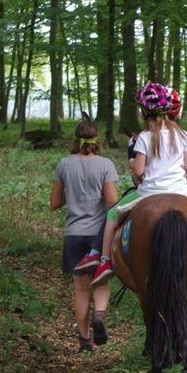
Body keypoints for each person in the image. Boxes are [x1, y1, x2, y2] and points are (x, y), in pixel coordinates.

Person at [89, 81, 187, 292]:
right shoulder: (182, 135)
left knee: (113, 214)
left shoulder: (144, 137)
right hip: (181, 191)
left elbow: (139, 171)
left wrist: (132, 162)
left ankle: (104, 260)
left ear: (144, 112)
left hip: (148, 193)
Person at [50, 121, 119, 352]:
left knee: (80, 289)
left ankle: (84, 340)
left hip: (73, 234)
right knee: (101, 281)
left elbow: (55, 203)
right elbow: (111, 203)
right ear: (97, 139)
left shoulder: (64, 164)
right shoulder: (105, 165)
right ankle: (99, 314)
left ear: (76, 139)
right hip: (99, 236)